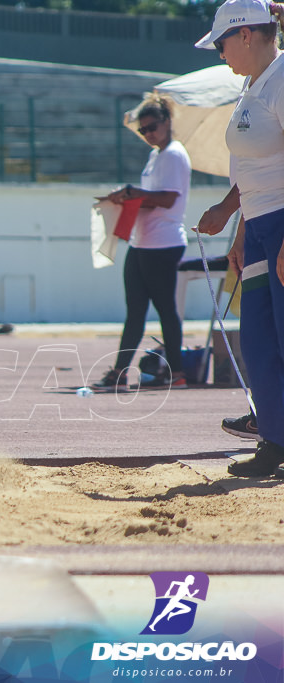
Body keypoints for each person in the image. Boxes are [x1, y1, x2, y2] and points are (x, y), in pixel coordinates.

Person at [195, 0, 284, 477]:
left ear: (246, 35)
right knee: (258, 338)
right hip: (260, 223)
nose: (220, 54)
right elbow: (256, 166)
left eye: (222, 44)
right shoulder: (253, 85)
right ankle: (274, 442)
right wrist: (234, 218)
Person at [94, 95, 191, 390]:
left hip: (163, 243)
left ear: (166, 123)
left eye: (152, 127)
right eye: (143, 130)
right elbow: (150, 199)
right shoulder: (156, 155)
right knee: (134, 311)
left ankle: (177, 373)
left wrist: (133, 193)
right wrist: (126, 197)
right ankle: (120, 372)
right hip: (142, 243)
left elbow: (168, 198)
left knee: (164, 309)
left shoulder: (174, 154)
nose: (148, 134)